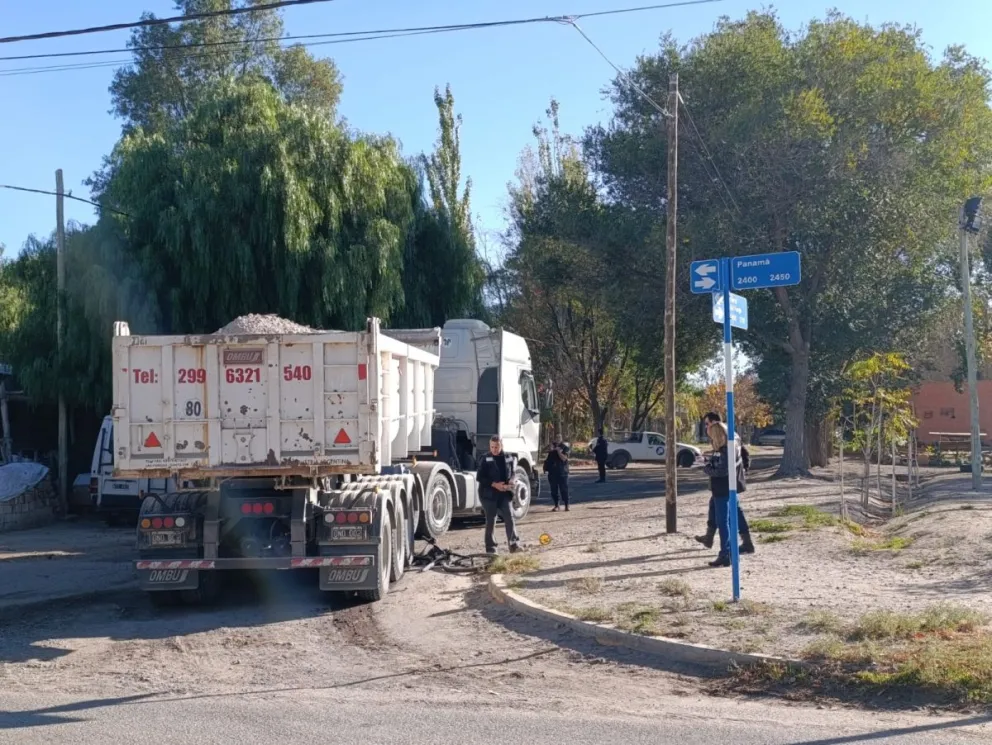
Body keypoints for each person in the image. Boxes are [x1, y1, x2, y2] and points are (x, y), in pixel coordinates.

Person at [696, 413, 753, 554]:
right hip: (729, 480)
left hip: (728, 481)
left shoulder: (727, 436)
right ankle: (711, 537)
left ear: (715, 423)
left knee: (728, 514)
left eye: (707, 423)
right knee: (718, 506)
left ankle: (732, 547)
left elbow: (737, 456)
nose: (706, 427)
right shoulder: (728, 435)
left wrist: (742, 469)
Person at [476, 435, 521, 555]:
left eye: (497, 447)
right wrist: (494, 484)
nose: (494, 449)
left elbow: (513, 473)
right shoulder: (485, 458)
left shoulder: (509, 458)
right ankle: (491, 549)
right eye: (492, 447)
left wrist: (512, 480)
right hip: (488, 494)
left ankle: (514, 545)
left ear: (501, 445)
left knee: (509, 517)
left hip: (504, 493)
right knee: (491, 520)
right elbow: (479, 477)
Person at [543, 434, 571, 511]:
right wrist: (550, 447)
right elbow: (543, 451)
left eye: (559, 437)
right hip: (552, 472)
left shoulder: (565, 447)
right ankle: (556, 505)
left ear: (561, 438)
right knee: (553, 490)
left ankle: (566, 505)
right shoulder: (552, 446)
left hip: (562, 472)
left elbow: (564, 458)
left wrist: (558, 451)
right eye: (556, 437)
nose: (557, 439)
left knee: (564, 489)